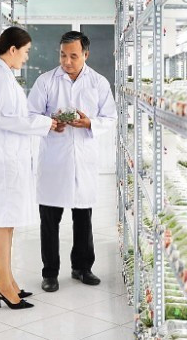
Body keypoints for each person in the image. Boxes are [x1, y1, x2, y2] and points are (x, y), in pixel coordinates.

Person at [28, 31, 118, 292]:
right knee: (49, 221)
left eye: (73, 56)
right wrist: (49, 123)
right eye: (63, 55)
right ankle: (50, 273)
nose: (67, 61)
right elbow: (30, 114)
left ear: (85, 55)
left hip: (83, 160)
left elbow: (110, 118)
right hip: (54, 160)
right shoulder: (45, 82)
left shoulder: (99, 83)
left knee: (83, 218)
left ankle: (82, 268)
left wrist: (89, 122)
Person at [0, 26, 58, 310]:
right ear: (12, 50)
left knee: (7, 223)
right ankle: (2, 285)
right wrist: (44, 124)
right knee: (2, 223)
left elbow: (14, 116)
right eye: (24, 53)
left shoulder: (2, 73)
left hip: (8, 159)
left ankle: (8, 282)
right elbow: (5, 119)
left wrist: (43, 122)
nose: (25, 58)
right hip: (2, 162)